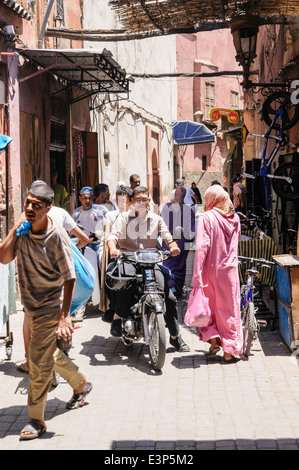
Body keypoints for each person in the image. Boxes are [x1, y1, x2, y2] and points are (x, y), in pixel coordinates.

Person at [0, 184, 92, 440]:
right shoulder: (24, 231)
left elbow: (70, 277)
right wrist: (17, 229)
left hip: (49, 307)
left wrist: (65, 316)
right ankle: (81, 383)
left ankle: (36, 419)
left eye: (36, 205)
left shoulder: (56, 236)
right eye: (27, 203)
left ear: (48, 208)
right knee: (49, 354)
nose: (30, 208)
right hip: (30, 306)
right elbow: (4, 257)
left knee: (38, 365)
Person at [17, 180, 90, 375]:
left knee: (32, 324)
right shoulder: (60, 214)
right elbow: (83, 239)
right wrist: (73, 250)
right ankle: (77, 382)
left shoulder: (27, 218)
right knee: (49, 340)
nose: (30, 207)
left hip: (38, 289)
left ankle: (31, 362)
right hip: (54, 288)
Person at [107, 186, 190, 352]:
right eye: (138, 199)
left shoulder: (156, 219)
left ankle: (175, 336)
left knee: (169, 295)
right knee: (126, 280)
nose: (141, 202)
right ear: (132, 201)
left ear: (149, 201)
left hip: (150, 263)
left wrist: (173, 246)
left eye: (144, 199)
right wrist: (113, 249)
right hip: (129, 260)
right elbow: (112, 236)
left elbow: (167, 236)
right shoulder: (124, 218)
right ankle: (118, 316)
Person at [191, 184, 243, 363]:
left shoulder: (206, 218)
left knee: (210, 307)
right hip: (230, 271)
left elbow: (201, 248)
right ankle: (228, 351)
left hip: (210, 271)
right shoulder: (235, 218)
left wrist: (197, 274)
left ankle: (214, 341)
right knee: (229, 309)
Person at [100, 186, 133, 319]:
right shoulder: (111, 216)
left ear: (130, 201)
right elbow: (108, 236)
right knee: (109, 273)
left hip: (135, 253)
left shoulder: (137, 215)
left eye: (124, 200)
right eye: (119, 201)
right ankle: (113, 307)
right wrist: (111, 249)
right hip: (116, 253)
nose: (121, 204)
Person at [161, 186, 195, 298]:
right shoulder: (188, 209)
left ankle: (171, 286)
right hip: (181, 243)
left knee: (168, 263)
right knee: (180, 266)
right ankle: (177, 288)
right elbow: (191, 230)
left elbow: (160, 225)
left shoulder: (166, 207)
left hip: (168, 242)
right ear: (184, 197)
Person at [72, 186, 105, 266]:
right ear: (80, 198)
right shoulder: (76, 214)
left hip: (97, 243)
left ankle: (101, 278)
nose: (87, 201)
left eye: (90, 198)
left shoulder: (100, 211)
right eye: (85, 198)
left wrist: (102, 232)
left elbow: (108, 224)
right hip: (82, 243)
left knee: (101, 262)